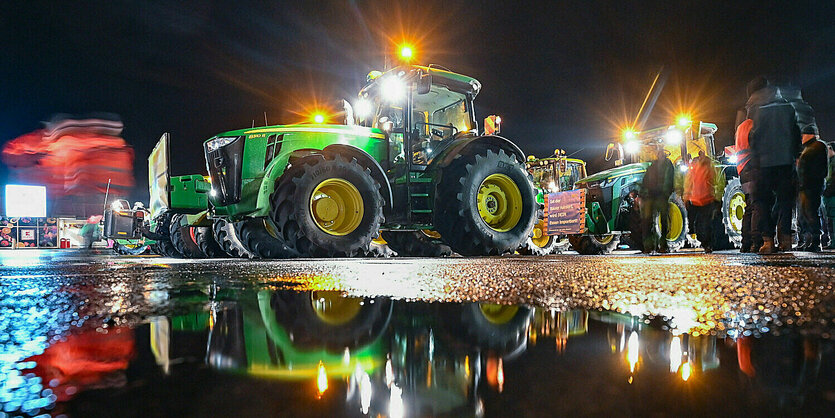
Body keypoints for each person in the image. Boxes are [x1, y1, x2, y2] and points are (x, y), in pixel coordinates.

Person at [746, 76, 802, 254]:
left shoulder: (756, 108)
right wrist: (796, 155)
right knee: (785, 201)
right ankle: (785, 240)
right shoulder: (787, 106)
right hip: (785, 162)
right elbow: (796, 133)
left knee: (762, 202)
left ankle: (768, 241)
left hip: (763, 163)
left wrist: (754, 160)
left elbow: (753, 136)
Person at [796, 127, 828, 251]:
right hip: (808, 186)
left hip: (810, 186)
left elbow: (815, 169)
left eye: (803, 135)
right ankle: (811, 240)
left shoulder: (816, 147)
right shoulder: (812, 148)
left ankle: (815, 241)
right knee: (807, 214)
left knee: (810, 213)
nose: (802, 138)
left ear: (808, 135)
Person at [640, 147, 675, 253]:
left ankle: (663, 245)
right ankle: (649, 246)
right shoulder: (652, 166)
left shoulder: (669, 165)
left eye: (661, 152)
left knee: (664, 221)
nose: (659, 154)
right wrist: (643, 192)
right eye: (658, 152)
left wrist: (666, 193)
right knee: (647, 221)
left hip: (662, 196)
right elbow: (646, 179)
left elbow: (669, 179)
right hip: (651, 195)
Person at [684, 151, 720, 252]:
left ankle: (708, 244)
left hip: (705, 199)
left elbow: (715, 181)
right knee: (701, 224)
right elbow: (689, 182)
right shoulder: (699, 167)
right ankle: (707, 243)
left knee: (704, 223)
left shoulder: (707, 167)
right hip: (698, 200)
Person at [735, 117, 760, 252]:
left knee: (749, 207)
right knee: (757, 205)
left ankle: (746, 243)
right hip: (752, 167)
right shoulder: (753, 125)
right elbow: (757, 146)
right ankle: (756, 241)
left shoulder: (740, 127)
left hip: (742, 170)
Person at [824, 142, 835, 249]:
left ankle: (833, 242)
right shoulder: (831, 161)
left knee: (832, 219)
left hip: (832, 195)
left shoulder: (833, 162)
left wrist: (828, 191)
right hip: (830, 194)